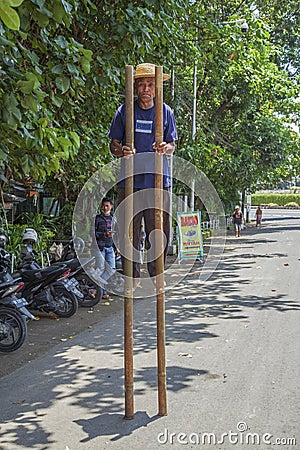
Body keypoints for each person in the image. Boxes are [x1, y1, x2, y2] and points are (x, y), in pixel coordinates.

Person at [109, 62, 177, 289]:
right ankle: (132, 276)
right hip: (130, 180)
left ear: (156, 88)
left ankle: (157, 275)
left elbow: (172, 145)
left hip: (158, 180)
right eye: (142, 85)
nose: (146, 89)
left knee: (158, 230)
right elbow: (114, 144)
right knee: (129, 229)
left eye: (150, 84)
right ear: (135, 88)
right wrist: (123, 151)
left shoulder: (165, 111)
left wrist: (165, 148)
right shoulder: (125, 110)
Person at [94, 197, 117, 300]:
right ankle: (101, 292)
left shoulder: (113, 219)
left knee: (111, 269)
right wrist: (103, 234)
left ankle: (95, 289)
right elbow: (93, 233)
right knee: (100, 269)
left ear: (111, 207)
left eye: (107, 206)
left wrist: (117, 247)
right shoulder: (97, 218)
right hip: (100, 247)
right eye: (103, 206)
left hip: (110, 247)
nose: (105, 207)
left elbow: (117, 235)